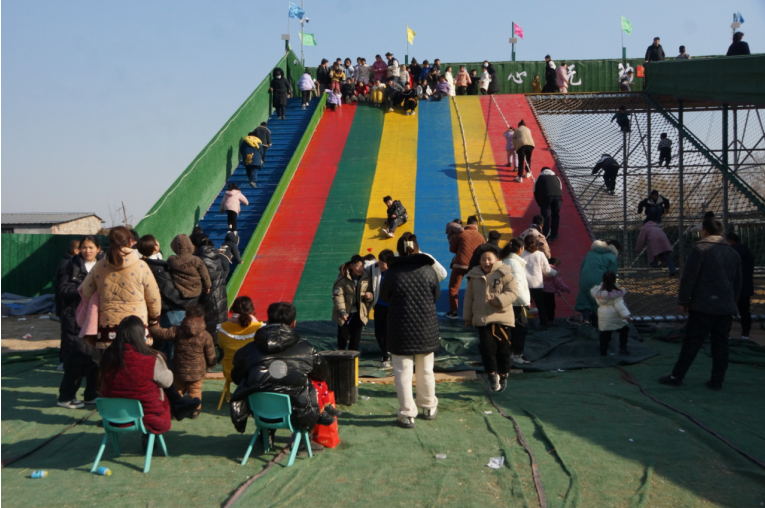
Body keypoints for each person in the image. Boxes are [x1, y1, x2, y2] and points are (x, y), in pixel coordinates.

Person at [229, 302, 335, 446]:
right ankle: (304, 440)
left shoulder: (248, 350)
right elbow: (322, 374)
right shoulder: (307, 349)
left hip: (260, 412)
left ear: (268, 321)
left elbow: (236, 377)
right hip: (298, 412)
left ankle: (267, 433)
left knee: (261, 386)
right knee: (313, 383)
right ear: (293, 323)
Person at [660, 218, 742, 390]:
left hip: (703, 306)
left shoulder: (699, 249)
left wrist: (683, 300)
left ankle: (677, 376)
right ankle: (717, 380)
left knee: (692, 342)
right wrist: (732, 303)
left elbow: (689, 278)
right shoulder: (733, 253)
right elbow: (738, 282)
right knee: (721, 344)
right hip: (725, 308)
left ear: (704, 230)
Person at [380, 236, 441, 428]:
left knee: (402, 373)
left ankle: (407, 413)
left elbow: (385, 297)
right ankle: (429, 406)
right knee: (426, 370)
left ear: (399, 250)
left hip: (400, 329)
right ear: (416, 248)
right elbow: (436, 296)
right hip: (426, 328)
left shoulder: (392, 273)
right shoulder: (428, 270)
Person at [81, 227, 162, 350]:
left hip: (107, 326)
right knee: (135, 364)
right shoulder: (141, 266)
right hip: (136, 326)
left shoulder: (99, 266)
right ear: (130, 242)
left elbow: (86, 291)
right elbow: (153, 297)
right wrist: (154, 320)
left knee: (111, 366)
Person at [99, 316, 174, 437]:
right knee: (160, 390)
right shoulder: (151, 358)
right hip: (149, 416)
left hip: (112, 416)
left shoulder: (106, 355)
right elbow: (167, 382)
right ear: (141, 334)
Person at [56, 236, 103, 409]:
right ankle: (66, 397)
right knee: (76, 358)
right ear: (79, 249)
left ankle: (92, 394)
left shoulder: (103, 265)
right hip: (75, 317)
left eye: (91, 247)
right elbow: (63, 291)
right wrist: (86, 287)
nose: (87, 250)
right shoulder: (70, 266)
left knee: (96, 358)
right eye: (84, 247)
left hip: (97, 317)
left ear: (98, 249)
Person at [464, 246, 519, 392]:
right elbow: (469, 298)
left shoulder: (505, 273)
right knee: (487, 349)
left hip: (502, 318)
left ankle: (503, 374)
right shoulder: (474, 276)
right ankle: (492, 375)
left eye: (489, 259)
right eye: (483, 259)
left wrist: (499, 300)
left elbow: (513, 292)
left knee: (503, 350)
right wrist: (468, 317)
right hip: (483, 318)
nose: (486, 262)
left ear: (496, 260)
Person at [149, 304, 216, 419]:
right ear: (202, 317)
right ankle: (195, 411)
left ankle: (176, 409)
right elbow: (210, 355)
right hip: (197, 371)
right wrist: (211, 363)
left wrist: (151, 326)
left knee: (178, 389)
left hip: (179, 368)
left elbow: (161, 333)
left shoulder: (177, 331)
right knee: (195, 390)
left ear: (186, 316)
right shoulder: (205, 335)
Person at [575, 239, 621, 326]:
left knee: (585, 300)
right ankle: (597, 323)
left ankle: (586, 321)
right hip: (599, 281)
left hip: (585, 279)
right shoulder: (612, 256)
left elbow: (582, 266)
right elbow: (611, 273)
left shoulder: (590, 253)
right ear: (616, 248)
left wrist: (583, 279)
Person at [447, 216, 485, 319]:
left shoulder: (461, 234)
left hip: (459, 264)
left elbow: (452, 249)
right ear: (476, 225)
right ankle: (473, 312)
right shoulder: (480, 236)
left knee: (453, 289)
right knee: (474, 289)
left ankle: (453, 312)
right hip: (474, 267)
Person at [500, 239, 532, 364]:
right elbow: (517, 285)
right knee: (521, 328)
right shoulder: (514, 263)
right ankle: (516, 354)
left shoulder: (507, 261)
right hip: (515, 302)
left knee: (512, 329)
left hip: (509, 300)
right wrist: (525, 301)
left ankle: (511, 353)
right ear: (520, 249)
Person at [332, 254, 373, 351]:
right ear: (351, 266)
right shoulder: (342, 279)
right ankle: (340, 358)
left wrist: (369, 296)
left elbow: (371, 295)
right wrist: (342, 311)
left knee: (355, 339)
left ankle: (353, 362)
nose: (360, 268)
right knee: (343, 337)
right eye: (357, 266)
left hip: (359, 314)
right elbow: (338, 296)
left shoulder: (367, 278)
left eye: (362, 266)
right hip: (345, 313)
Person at [192, 235, 229, 339]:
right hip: (220, 300)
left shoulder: (200, 260)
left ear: (194, 246)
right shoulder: (215, 256)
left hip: (210, 302)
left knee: (212, 336)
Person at [591, 271, 632, 356]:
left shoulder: (598, 292)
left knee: (605, 334)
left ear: (602, 279)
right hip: (615, 315)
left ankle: (603, 352)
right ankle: (623, 349)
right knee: (624, 330)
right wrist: (626, 316)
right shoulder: (616, 293)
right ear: (614, 280)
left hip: (603, 314)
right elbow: (619, 305)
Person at [55, 239, 81, 368]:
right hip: (66, 307)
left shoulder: (67, 263)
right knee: (68, 337)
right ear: (76, 251)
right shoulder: (67, 265)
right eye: (83, 249)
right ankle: (63, 361)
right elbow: (63, 290)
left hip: (65, 307)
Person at [521, 236, 557, 329]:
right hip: (536, 284)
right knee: (541, 306)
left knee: (522, 305)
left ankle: (521, 324)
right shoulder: (540, 254)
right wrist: (556, 272)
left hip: (524, 284)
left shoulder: (521, 254)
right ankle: (543, 324)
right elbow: (547, 271)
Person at [367, 249, 396, 367]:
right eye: (379, 262)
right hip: (379, 306)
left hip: (393, 307)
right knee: (379, 332)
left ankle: (392, 353)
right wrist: (368, 292)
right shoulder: (373, 268)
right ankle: (385, 355)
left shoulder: (396, 271)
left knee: (391, 331)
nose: (380, 264)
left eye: (382, 263)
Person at [167, 234, 211, 304]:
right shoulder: (196, 259)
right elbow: (204, 274)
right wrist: (207, 286)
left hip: (180, 292)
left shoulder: (171, 260)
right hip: (196, 291)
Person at [727, 233, 754, 340]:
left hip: (732, 286)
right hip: (745, 286)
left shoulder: (729, 252)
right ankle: (745, 333)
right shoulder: (748, 252)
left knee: (727, 311)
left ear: (729, 240)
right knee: (745, 311)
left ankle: (726, 333)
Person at [534, 167, 563, 240]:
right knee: (555, 215)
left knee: (546, 217)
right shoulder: (557, 177)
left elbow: (535, 192)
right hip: (557, 197)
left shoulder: (539, 178)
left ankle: (547, 236)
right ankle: (554, 234)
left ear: (542, 171)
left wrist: (540, 204)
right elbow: (560, 189)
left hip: (546, 197)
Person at [543, 257, 570, 322]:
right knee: (551, 307)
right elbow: (558, 283)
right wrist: (566, 289)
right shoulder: (555, 271)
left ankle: (543, 320)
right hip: (549, 291)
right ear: (555, 264)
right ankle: (550, 320)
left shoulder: (543, 268)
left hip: (541, 289)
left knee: (543, 306)